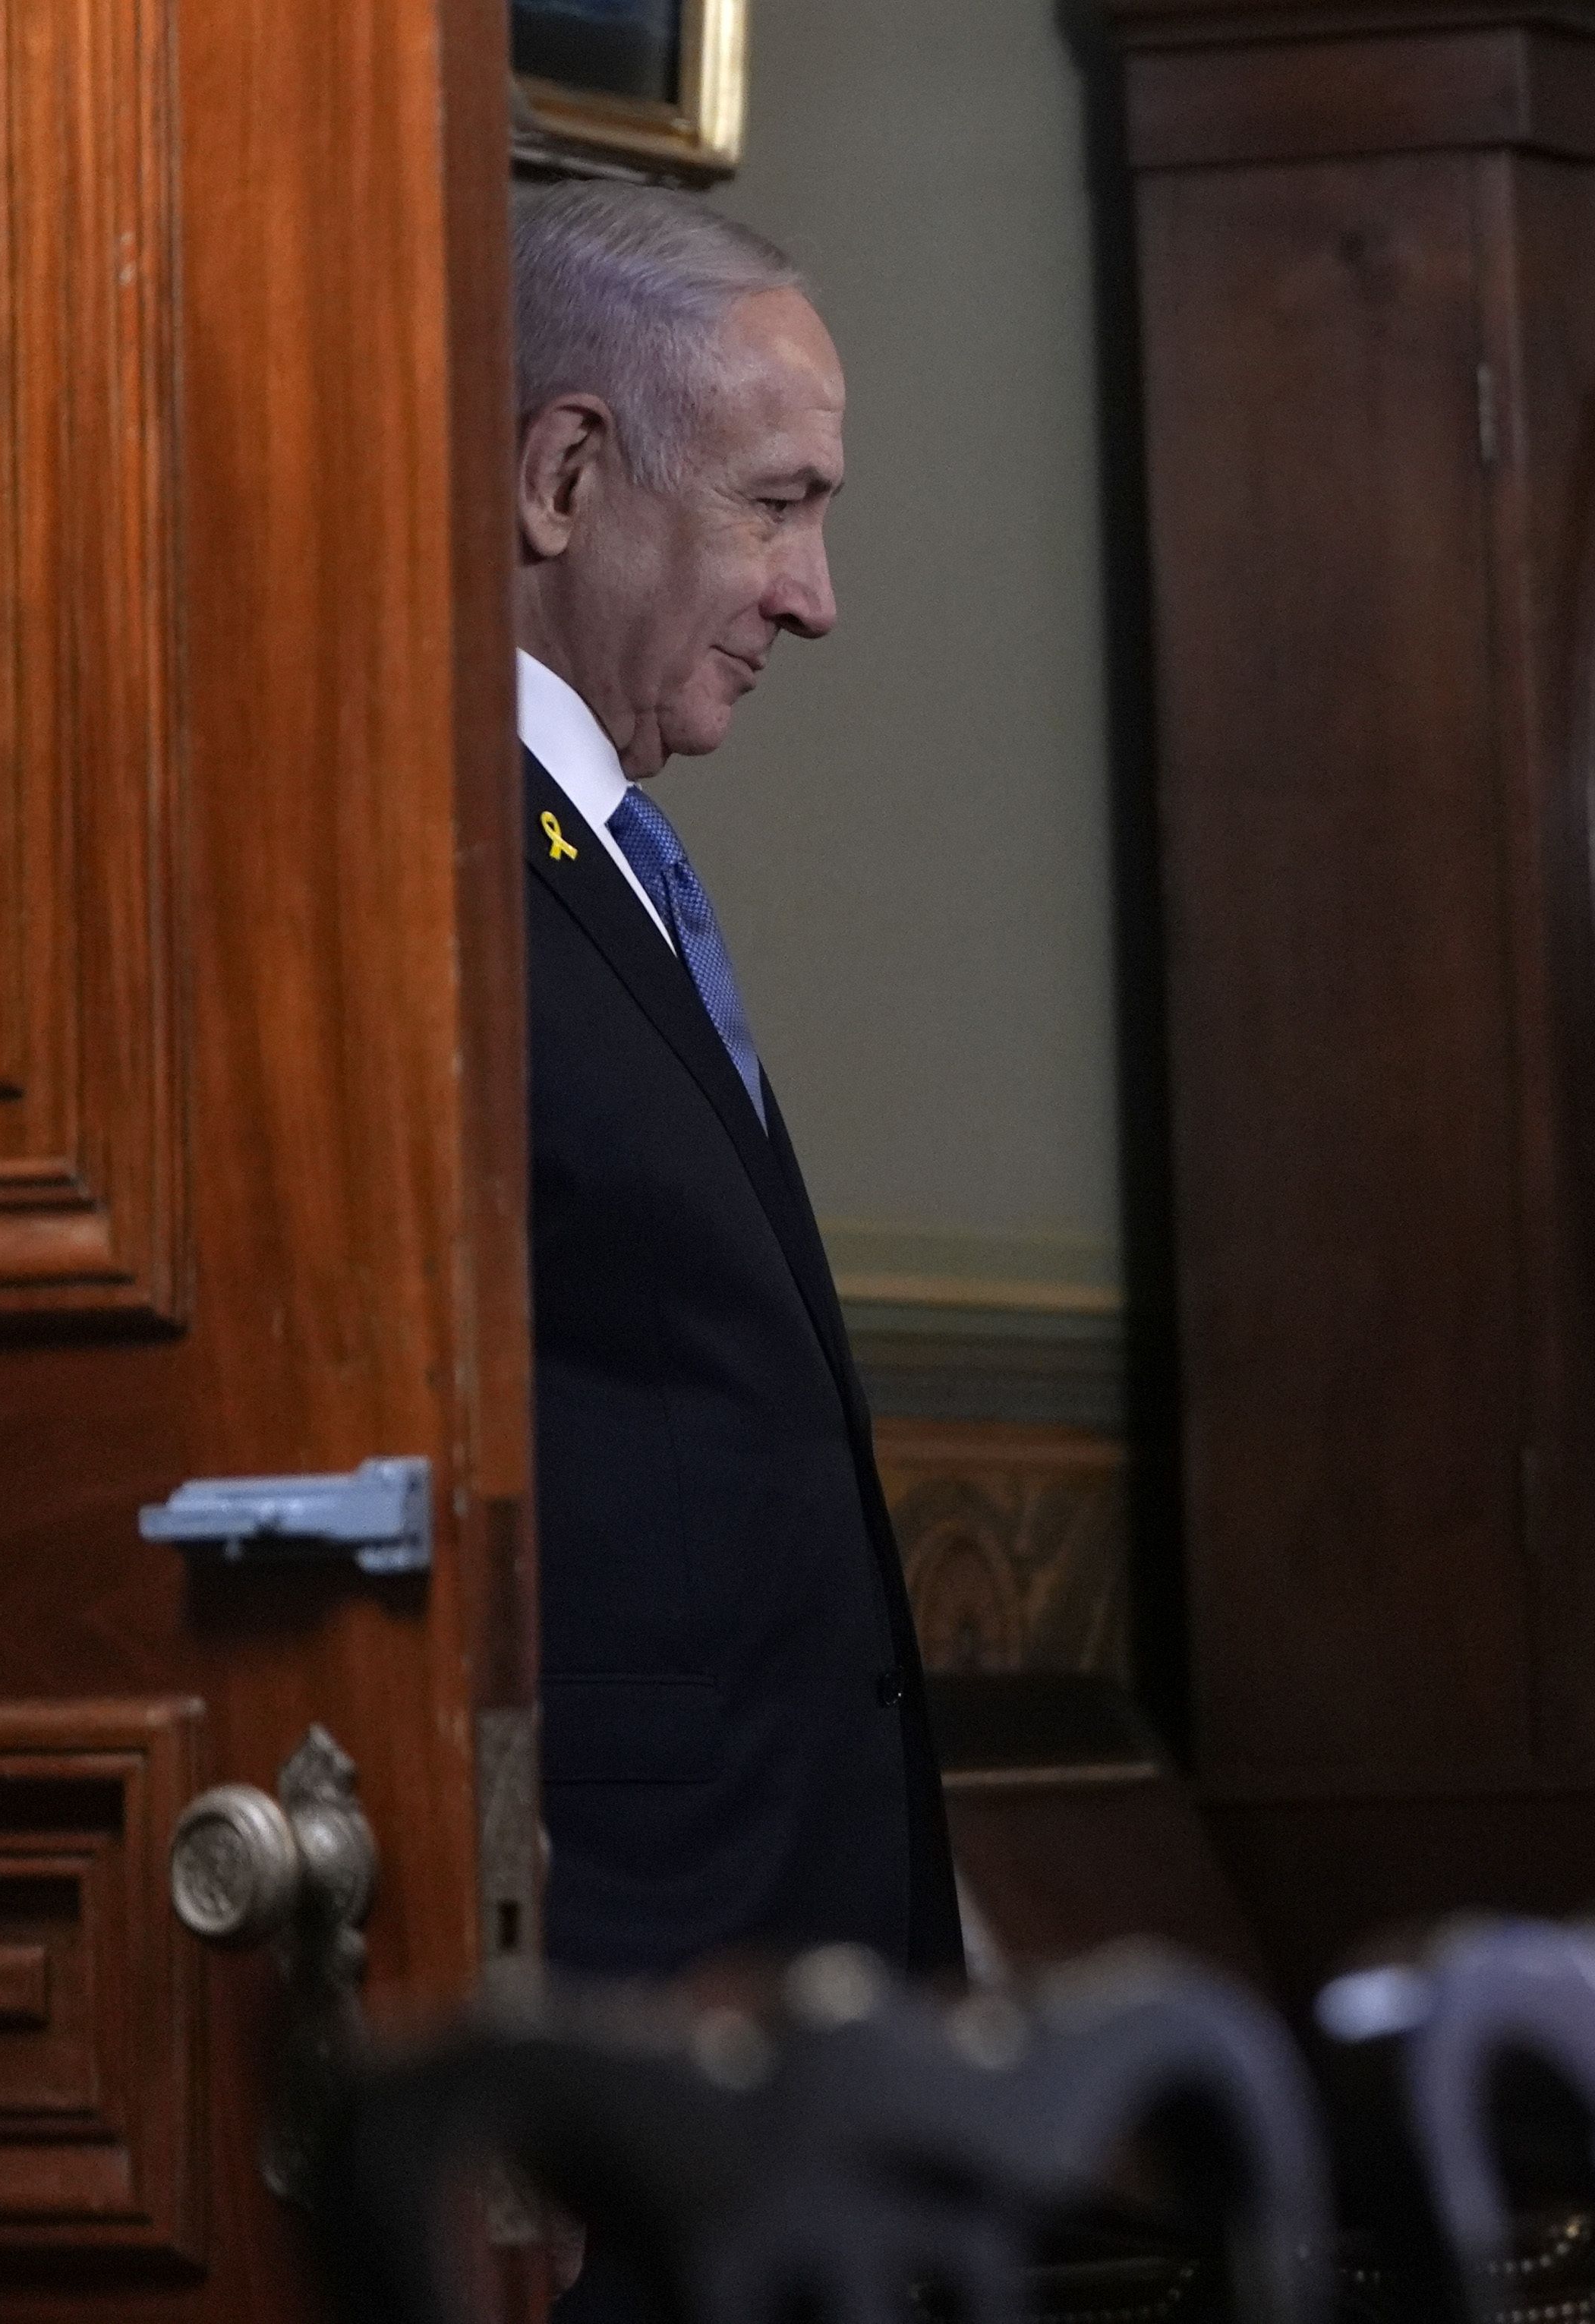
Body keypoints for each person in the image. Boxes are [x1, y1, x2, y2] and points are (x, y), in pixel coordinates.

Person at [509, 182, 961, 1998]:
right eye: (775, 505)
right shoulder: (417, 865)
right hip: (624, 1967)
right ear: (563, 478)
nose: (817, 599)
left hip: (778, 1957)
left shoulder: (611, 848)